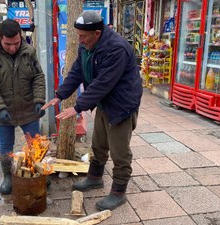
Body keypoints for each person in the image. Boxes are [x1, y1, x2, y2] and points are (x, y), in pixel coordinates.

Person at [41, 11, 142, 211]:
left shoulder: (116, 48)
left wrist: (78, 107)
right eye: (77, 35)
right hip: (104, 102)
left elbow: (103, 83)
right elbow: (77, 71)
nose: (79, 40)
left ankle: (118, 192)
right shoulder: (87, 44)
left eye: (82, 36)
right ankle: (95, 178)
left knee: (120, 152)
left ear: (97, 33)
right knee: (98, 144)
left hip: (121, 105)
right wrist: (60, 94)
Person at [0, 19, 46, 195]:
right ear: (0, 37)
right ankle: (8, 177)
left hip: (28, 107)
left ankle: (36, 173)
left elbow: (38, 77)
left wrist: (39, 100)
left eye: (16, 43)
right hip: (4, 109)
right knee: (6, 147)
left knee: (35, 145)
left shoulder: (29, 52)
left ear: (21, 37)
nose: (13, 48)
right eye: (8, 44)